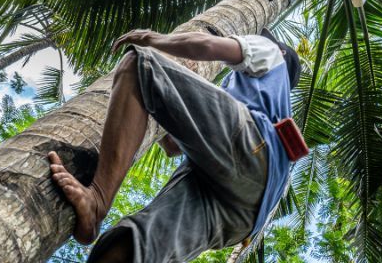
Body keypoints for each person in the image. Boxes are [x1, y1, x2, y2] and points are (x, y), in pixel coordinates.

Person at [47, 27, 301, 262]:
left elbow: (206, 45)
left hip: (253, 151)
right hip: (244, 217)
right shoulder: (268, 100)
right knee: (132, 246)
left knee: (138, 65)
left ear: (280, 51)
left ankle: (98, 200)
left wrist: (152, 39)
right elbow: (172, 145)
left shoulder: (269, 52)